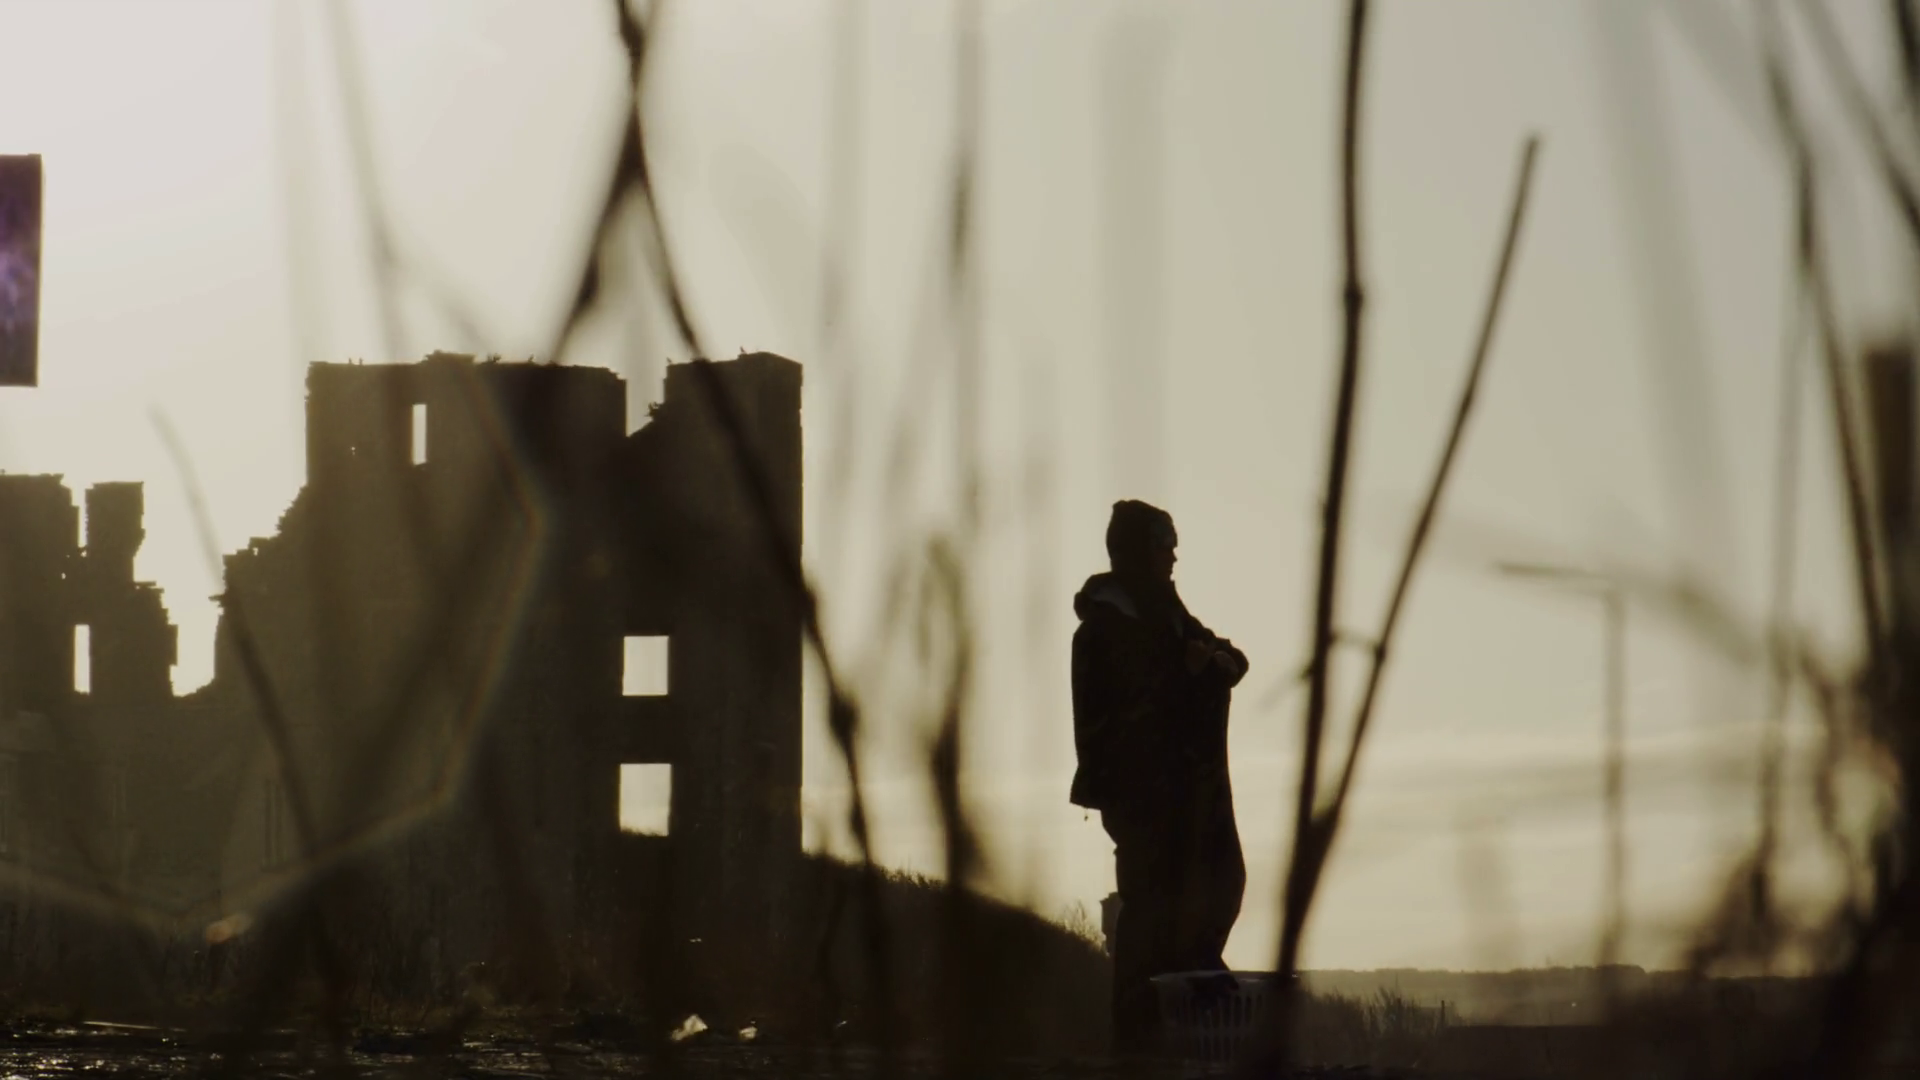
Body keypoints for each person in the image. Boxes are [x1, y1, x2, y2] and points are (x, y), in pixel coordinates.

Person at [1069, 499, 1248, 1055]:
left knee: (1222, 883)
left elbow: (1231, 657)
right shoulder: (1104, 629)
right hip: (1141, 796)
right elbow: (1131, 712)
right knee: (1150, 909)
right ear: (1136, 552)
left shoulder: (1169, 614)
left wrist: (1209, 665)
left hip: (1193, 790)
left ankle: (1189, 995)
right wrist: (1190, 671)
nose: (1173, 556)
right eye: (1163, 544)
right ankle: (1141, 1041)